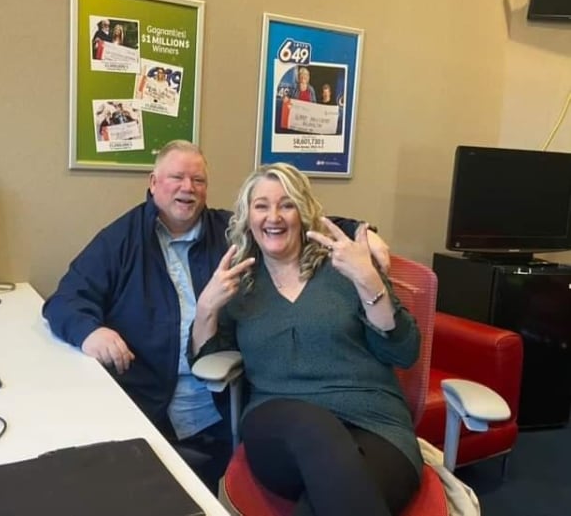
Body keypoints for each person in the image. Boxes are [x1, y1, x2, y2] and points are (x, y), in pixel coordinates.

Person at [42, 141, 391, 493]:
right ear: (152, 182)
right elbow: (65, 299)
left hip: (224, 401)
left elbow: (302, 221)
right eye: (177, 177)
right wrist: (92, 332)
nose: (187, 188)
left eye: (198, 180)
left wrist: (364, 231)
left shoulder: (230, 232)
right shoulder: (121, 240)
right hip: (148, 401)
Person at [191, 162, 421, 516]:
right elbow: (209, 368)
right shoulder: (240, 284)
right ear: (247, 217)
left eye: (287, 204)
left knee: (326, 502)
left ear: (304, 211)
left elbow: (404, 353)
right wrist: (206, 307)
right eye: (262, 205)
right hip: (278, 425)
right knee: (313, 427)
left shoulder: (346, 266)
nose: (274, 216)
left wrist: (370, 283)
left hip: (376, 424)